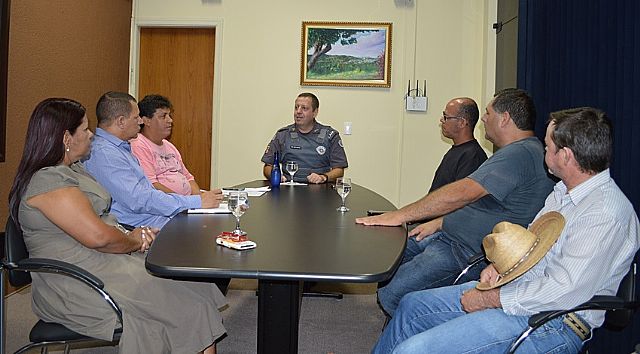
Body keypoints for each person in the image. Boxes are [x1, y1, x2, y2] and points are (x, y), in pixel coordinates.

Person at [372, 107, 640, 354]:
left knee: (415, 350)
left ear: (566, 156)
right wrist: (502, 266)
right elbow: (530, 244)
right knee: (411, 306)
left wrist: (491, 298)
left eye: (547, 146)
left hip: (553, 323)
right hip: (518, 291)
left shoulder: (605, 214)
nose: (543, 151)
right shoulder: (562, 193)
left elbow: (563, 291)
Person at [8, 98, 227, 353]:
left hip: (102, 263)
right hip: (78, 280)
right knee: (186, 306)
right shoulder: (49, 181)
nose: (92, 136)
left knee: (194, 288)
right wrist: (134, 240)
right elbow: (99, 238)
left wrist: (134, 237)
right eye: (85, 130)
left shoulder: (74, 170)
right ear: (67, 138)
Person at [356, 88, 555, 316]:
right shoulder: (514, 152)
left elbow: (463, 192)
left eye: (488, 113)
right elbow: (482, 203)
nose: (483, 119)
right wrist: (440, 222)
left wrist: (398, 215)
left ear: (505, 118)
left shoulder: (521, 153)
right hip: (448, 235)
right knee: (386, 257)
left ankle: (415, 332)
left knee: (391, 292)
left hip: (463, 251)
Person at [84, 91, 223, 229]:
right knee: (211, 230)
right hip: (140, 226)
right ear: (121, 121)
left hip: (156, 217)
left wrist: (195, 201)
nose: (140, 121)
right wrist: (194, 202)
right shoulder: (105, 154)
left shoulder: (120, 148)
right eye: (136, 117)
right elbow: (139, 199)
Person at [261, 92, 348, 184]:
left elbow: (339, 170)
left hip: (319, 190)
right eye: (296, 107)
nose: (298, 111)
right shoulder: (283, 135)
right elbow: (268, 166)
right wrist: (275, 176)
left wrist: (323, 177)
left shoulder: (330, 135)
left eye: (304, 108)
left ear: (315, 112)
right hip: (288, 188)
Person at [131, 94, 201, 195]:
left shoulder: (169, 146)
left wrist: (199, 199)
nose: (170, 120)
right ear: (146, 121)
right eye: (163, 116)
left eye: (169, 115)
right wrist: (186, 201)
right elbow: (151, 184)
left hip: (186, 202)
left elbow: (188, 177)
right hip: (170, 205)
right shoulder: (138, 144)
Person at [429, 97, 487, 192]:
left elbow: (460, 199)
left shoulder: (472, 157)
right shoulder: (456, 151)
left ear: (462, 123)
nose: (441, 120)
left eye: (446, 117)